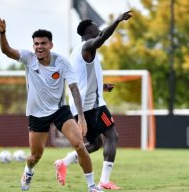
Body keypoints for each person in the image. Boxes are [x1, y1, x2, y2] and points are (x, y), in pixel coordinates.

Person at [0, 17, 103, 192]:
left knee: (80, 145)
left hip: (60, 111)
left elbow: (74, 88)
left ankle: (92, 187)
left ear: (50, 45)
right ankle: (28, 171)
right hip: (37, 114)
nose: (39, 46)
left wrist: (81, 118)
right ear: (33, 46)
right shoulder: (28, 59)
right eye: (36, 44)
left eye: (43, 43)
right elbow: (6, 50)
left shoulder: (62, 62)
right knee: (35, 156)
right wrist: (2, 32)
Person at [54, 11, 132, 190]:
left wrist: (102, 87)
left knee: (96, 143)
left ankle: (64, 162)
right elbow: (102, 37)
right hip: (90, 106)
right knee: (112, 135)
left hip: (84, 104)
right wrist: (118, 21)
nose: (99, 29)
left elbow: (81, 78)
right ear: (90, 31)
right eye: (96, 27)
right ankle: (104, 181)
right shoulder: (88, 46)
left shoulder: (76, 52)